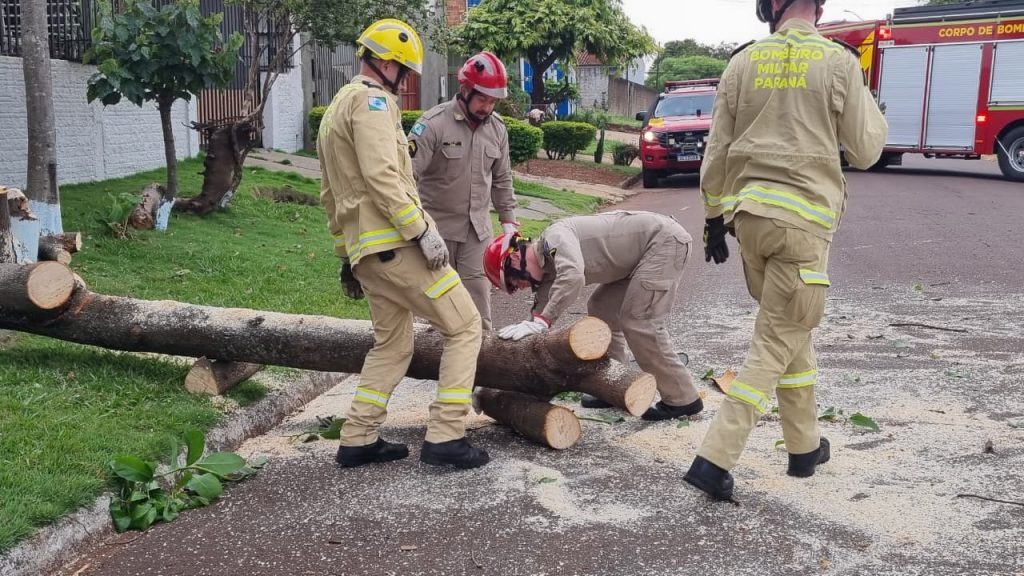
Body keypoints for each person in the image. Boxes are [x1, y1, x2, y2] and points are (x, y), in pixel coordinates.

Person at [684, 0, 887, 500]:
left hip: (749, 223)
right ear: (818, 5)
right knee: (776, 338)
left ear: (768, 5)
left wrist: (712, 218)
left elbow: (717, 154)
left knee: (790, 327)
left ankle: (804, 447)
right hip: (804, 225)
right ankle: (714, 458)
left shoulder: (742, 62)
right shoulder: (838, 61)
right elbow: (865, 150)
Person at [317, 18, 489, 470]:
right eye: (405, 72)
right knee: (466, 326)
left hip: (368, 254)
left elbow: (330, 194)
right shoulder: (372, 102)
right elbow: (384, 178)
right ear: (387, 64)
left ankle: (358, 437)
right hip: (398, 245)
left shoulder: (336, 107)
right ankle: (447, 434)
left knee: (392, 346)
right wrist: (422, 231)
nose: (406, 81)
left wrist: (344, 255)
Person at [484, 211, 704, 421]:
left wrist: (543, 321)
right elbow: (543, 306)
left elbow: (572, 277)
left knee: (640, 322)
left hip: (664, 243)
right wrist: (527, 337)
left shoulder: (555, 237)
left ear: (514, 259)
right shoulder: (547, 264)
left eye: (514, 282)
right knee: (601, 307)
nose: (521, 287)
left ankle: (682, 399)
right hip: (637, 259)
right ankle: (616, 380)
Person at [408, 51, 518, 331]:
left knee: (478, 313)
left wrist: (509, 225)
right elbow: (405, 177)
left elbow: (503, 178)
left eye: (494, 101)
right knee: (435, 312)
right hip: (436, 233)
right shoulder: (432, 124)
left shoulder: (497, 130)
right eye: (483, 99)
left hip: (476, 234)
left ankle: (480, 370)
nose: (488, 107)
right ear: (465, 90)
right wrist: (416, 228)